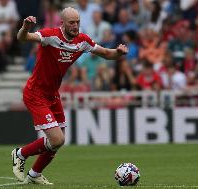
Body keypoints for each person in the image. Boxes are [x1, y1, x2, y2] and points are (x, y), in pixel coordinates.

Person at [12, 7, 128, 185]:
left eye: (78, 22)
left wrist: (118, 53)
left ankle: (34, 175)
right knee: (56, 139)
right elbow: (22, 38)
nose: (75, 26)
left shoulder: (82, 41)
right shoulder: (50, 36)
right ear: (62, 23)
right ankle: (20, 154)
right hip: (36, 93)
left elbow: (106, 53)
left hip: (52, 95)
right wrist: (25, 27)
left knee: (59, 142)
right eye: (71, 23)